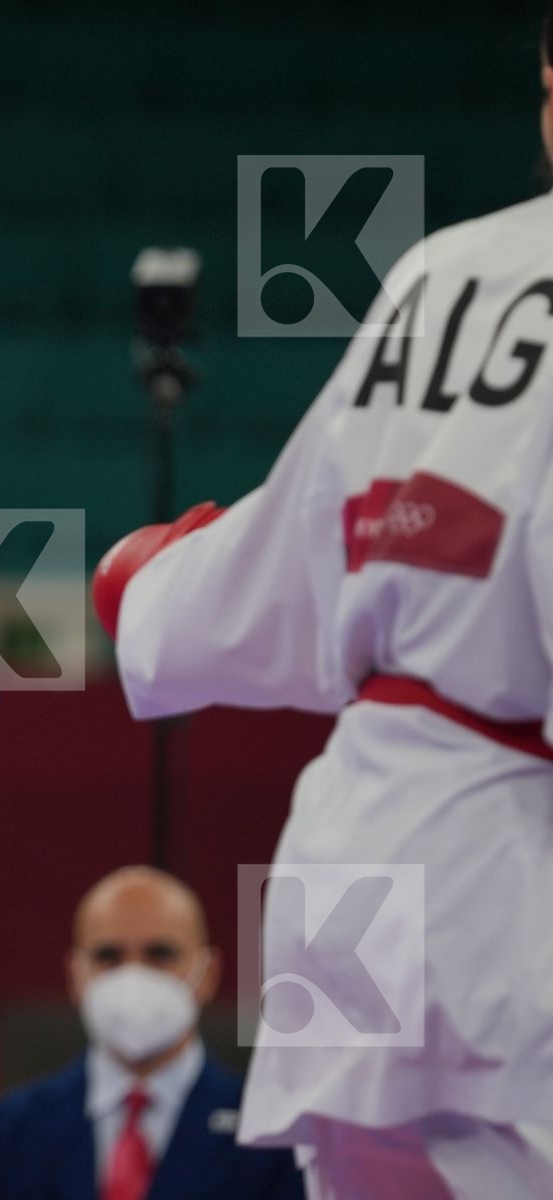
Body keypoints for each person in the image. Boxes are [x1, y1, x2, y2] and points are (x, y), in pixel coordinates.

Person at [90, 10, 553, 1196]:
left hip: (347, 867)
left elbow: (301, 548)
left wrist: (155, 588)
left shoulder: (442, 270)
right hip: (503, 894)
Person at [0, 867, 302, 1200]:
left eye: (160, 953)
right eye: (109, 956)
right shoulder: (4, 1135)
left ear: (207, 974)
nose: (134, 974)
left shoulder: (273, 1136)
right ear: (75, 975)